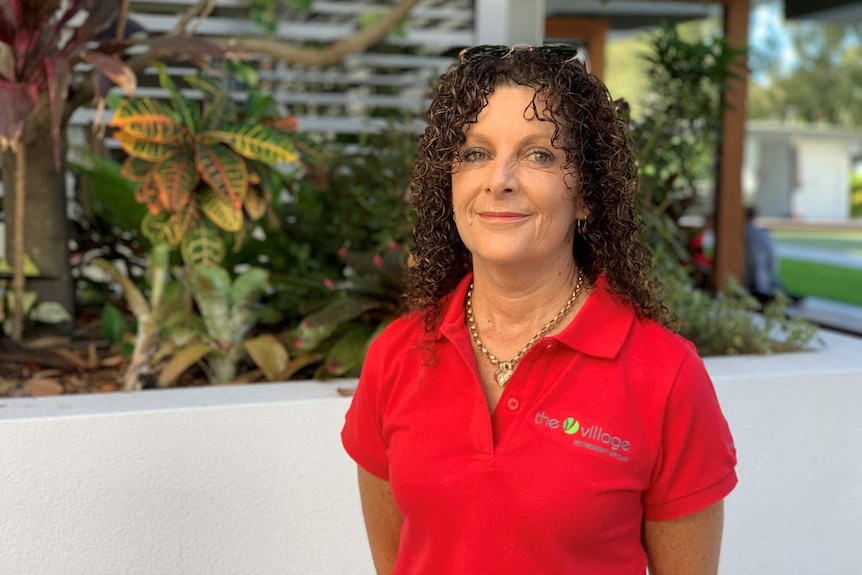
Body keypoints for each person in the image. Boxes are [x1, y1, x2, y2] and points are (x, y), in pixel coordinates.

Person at [341, 44, 737, 575]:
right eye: (476, 152)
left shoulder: (664, 375)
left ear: (587, 194)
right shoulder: (397, 354)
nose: (499, 179)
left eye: (539, 155)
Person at [743, 205, 783, 304]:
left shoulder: (741, 232)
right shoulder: (762, 234)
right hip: (757, 281)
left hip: (748, 279)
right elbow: (772, 261)